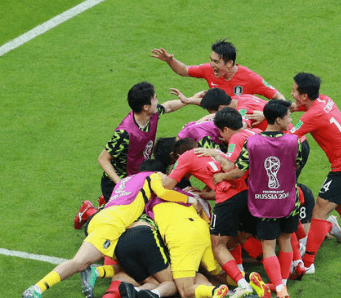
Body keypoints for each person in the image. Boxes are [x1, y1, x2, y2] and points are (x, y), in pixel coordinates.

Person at [22, 160, 199, 298]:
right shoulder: (153, 177)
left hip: (102, 219)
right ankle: (37, 289)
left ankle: (96, 272)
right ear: (158, 172)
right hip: (112, 225)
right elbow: (164, 192)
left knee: (131, 268)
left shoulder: (127, 181)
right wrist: (191, 200)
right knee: (79, 262)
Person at [163, 118, 270, 298]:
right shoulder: (213, 152)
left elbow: (167, 185)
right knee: (235, 237)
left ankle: (243, 283)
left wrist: (157, 176)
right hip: (246, 194)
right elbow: (227, 174)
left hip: (227, 200)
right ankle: (256, 277)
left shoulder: (186, 158)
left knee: (217, 245)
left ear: (178, 154)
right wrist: (202, 194)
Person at [74, 82, 191, 229]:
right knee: (125, 222)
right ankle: (89, 211)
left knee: (143, 214)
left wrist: (190, 100)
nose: (157, 101)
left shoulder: (151, 115)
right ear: (145, 107)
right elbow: (103, 159)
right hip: (119, 182)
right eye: (154, 98)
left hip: (138, 177)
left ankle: (106, 203)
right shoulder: (124, 133)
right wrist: (121, 185)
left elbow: (168, 107)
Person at [217, 100, 302, 298]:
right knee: (286, 239)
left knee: (268, 246)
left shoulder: (252, 142)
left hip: (264, 203)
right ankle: (283, 284)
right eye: (288, 117)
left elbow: (239, 171)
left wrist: (222, 175)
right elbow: (296, 165)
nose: (291, 120)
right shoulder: (294, 141)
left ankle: (279, 288)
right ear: (279, 120)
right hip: (289, 201)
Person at [289, 72, 341, 274]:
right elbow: (302, 108)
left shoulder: (311, 116)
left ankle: (308, 263)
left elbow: (289, 137)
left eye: (294, 90)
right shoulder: (325, 100)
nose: (291, 93)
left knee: (319, 210)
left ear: (304, 95)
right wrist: (290, 108)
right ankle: (333, 229)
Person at [151, 39, 285, 100]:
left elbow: (279, 97)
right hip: (220, 125)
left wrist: (263, 114)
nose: (211, 64)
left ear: (229, 64)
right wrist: (170, 60)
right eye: (211, 60)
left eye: (216, 61)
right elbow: (184, 70)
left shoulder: (250, 78)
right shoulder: (208, 69)